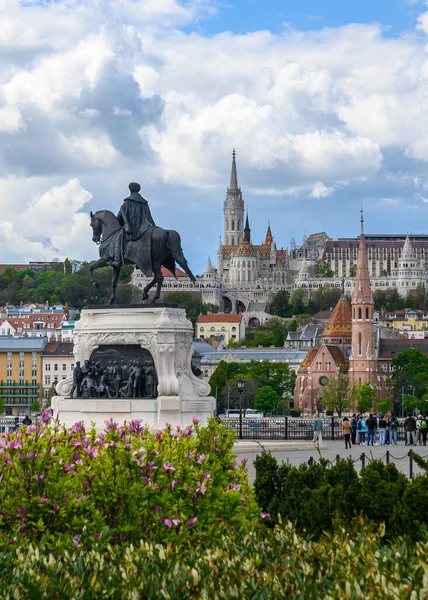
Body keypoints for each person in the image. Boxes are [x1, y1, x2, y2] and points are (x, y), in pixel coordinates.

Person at [110, 182, 156, 268]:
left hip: (133, 228)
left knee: (119, 237)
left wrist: (123, 224)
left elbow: (119, 216)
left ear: (130, 189)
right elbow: (149, 216)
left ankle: (117, 260)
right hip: (146, 227)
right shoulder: (144, 202)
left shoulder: (127, 201)